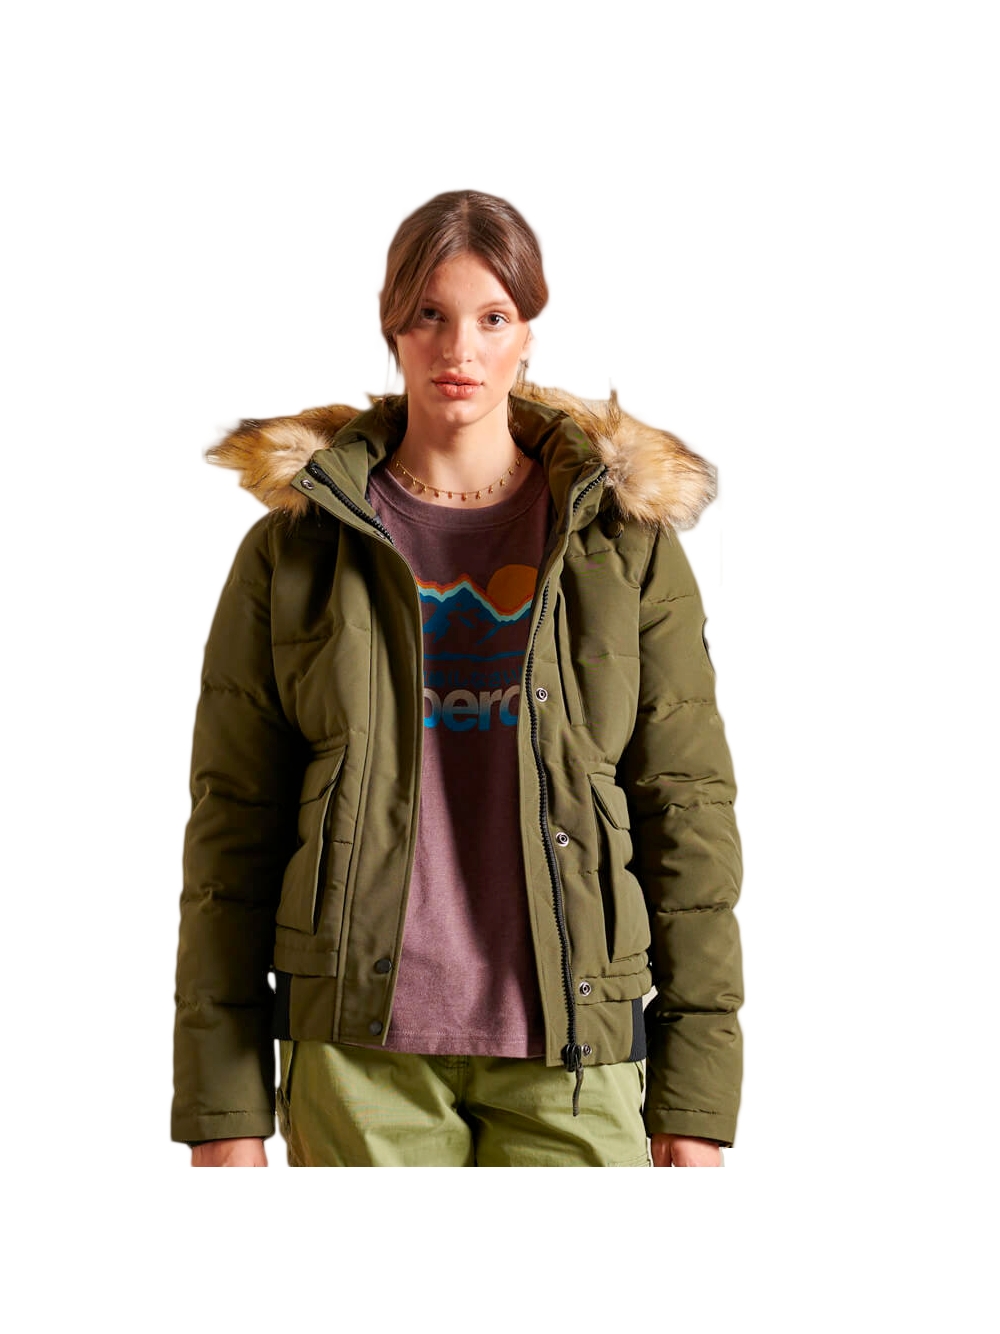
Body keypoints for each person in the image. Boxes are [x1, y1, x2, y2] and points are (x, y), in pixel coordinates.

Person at [172, 190, 743, 1167]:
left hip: (574, 1043)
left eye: (492, 317)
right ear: (392, 323)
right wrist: (223, 1109)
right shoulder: (296, 549)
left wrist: (694, 1093)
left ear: (528, 332)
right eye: (430, 314)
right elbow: (232, 824)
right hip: (356, 1050)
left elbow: (685, 810)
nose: (459, 349)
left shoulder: (623, 547)